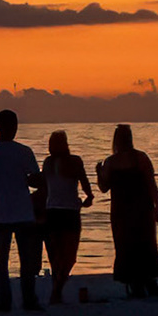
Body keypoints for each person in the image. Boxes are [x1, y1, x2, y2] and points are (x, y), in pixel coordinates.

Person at [0, 109, 44, 312]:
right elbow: (36, 180)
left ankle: (4, 302)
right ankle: (29, 301)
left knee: (1, 261)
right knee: (27, 261)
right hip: (23, 212)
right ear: (15, 127)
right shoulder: (23, 151)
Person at [97, 124, 158, 298]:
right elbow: (151, 184)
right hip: (141, 209)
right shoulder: (140, 158)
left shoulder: (111, 161)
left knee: (125, 246)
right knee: (145, 244)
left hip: (121, 211)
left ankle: (135, 284)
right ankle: (149, 282)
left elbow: (103, 188)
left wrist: (98, 173)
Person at [40, 130, 94, 305]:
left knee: (57, 256)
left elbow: (45, 187)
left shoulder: (47, 163)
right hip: (70, 212)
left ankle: (57, 290)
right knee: (69, 257)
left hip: (52, 212)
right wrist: (88, 198)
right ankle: (56, 291)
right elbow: (85, 183)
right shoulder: (74, 161)